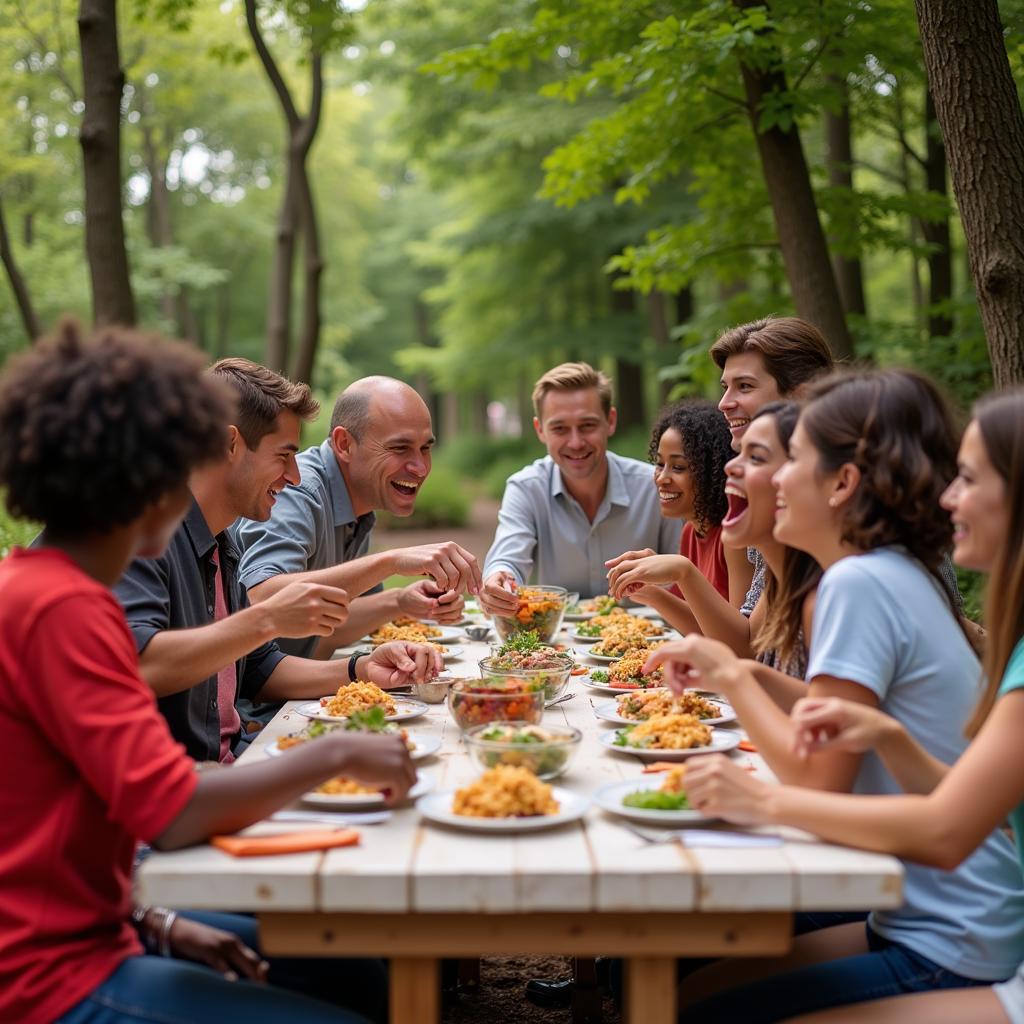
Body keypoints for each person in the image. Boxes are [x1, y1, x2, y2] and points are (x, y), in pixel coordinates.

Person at [0, 321, 414, 1024]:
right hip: (49, 978)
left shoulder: (61, 591)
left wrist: (155, 923)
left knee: (356, 980)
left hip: (113, 930)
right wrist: (336, 752)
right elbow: (171, 813)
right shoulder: (57, 610)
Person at [644, 371, 1024, 1023]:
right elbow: (960, 801)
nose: (950, 499)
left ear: (842, 483)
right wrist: (755, 679)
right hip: (927, 916)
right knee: (686, 995)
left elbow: (934, 827)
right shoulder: (882, 574)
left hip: (957, 939)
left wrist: (747, 722)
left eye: (789, 461)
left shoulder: (859, 582)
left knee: (696, 1008)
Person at [115, 359, 442, 762]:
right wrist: (267, 618)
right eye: (284, 455)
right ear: (228, 445)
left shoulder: (222, 540)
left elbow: (256, 668)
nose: (295, 475)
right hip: (182, 791)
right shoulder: (138, 532)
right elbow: (138, 666)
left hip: (233, 762)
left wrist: (361, 669)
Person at [234, 375, 482, 659]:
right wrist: (391, 561)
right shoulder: (298, 491)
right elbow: (260, 599)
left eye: (425, 448)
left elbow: (328, 624)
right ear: (344, 444)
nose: (420, 468)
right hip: (252, 700)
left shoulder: (360, 503)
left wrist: (400, 601)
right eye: (399, 448)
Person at [480, 361, 680, 615]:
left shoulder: (654, 485)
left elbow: (685, 572)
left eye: (587, 425)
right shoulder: (526, 488)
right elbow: (508, 556)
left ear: (610, 421)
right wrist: (500, 578)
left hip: (650, 641)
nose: (575, 443)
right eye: (560, 428)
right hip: (559, 647)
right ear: (540, 430)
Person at [603, 399, 753, 635]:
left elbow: (738, 640)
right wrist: (649, 591)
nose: (662, 477)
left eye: (679, 467)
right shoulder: (691, 531)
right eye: (660, 463)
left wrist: (682, 570)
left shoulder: (733, 537)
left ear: (711, 471)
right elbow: (701, 627)